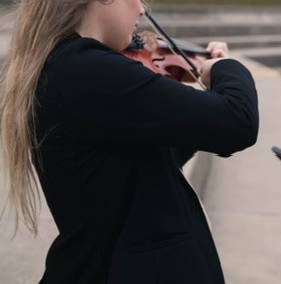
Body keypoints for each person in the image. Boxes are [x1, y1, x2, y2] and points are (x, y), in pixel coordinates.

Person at [0, 0, 259, 283]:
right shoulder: (88, 69)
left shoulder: (70, 66)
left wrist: (187, 117)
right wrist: (227, 67)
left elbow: (145, 162)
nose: (142, 9)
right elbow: (238, 121)